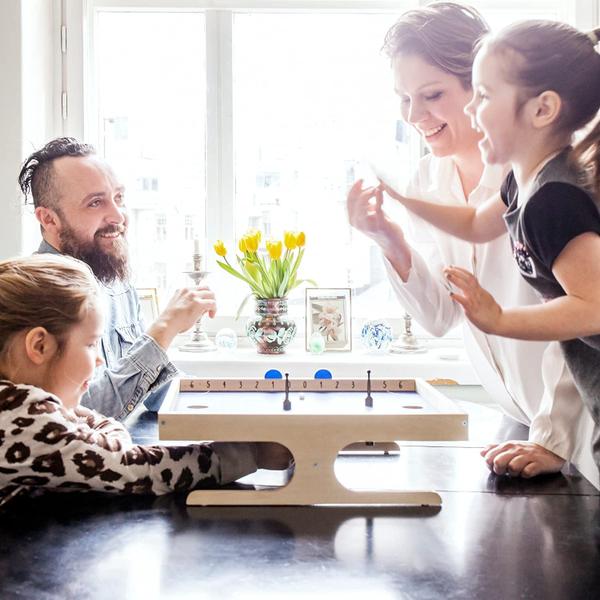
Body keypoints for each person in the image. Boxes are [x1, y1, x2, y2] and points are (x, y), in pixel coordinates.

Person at [347, 2, 597, 483]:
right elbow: (441, 316)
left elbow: (579, 312)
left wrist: (552, 436)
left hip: (576, 433)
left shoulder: (545, 182)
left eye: (432, 94)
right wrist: (389, 238)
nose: (414, 115)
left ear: (482, 89)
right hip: (522, 426)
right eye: (404, 98)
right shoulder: (430, 179)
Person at [0, 255, 290, 508]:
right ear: (39, 346)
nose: (99, 360)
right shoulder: (24, 413)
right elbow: (132, 469)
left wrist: (106, 442)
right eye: (90, 345)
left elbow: (103, 438)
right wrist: (251, 453)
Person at [18, 137, 209, 419]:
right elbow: (83, 415)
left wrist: (229, 399)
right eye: (96, 203)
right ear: (48, 219)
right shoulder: (36, 295)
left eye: (118, 198)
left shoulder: (114, 278)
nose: (118, 216)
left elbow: (154, 387)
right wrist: (165, 328)